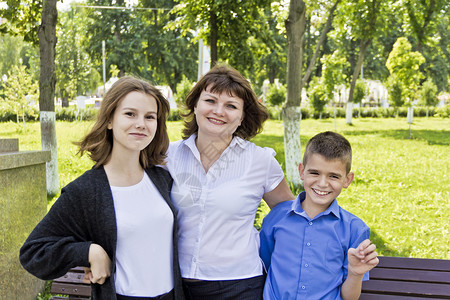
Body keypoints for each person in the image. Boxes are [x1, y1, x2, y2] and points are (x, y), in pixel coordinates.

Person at [20, 76, 184, 300]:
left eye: (150, 117)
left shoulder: (162, 179)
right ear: (109, 120)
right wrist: (89, 252)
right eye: (130, 114)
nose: (141, 124)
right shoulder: (86, 191)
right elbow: (33, 252)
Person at [164, 64, 295, 299]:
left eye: (231, 106)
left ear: (242, 116)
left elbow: (290, 216)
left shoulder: (260, 160)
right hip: (174, 284)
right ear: (195, 105)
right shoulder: (167, 157)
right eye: (210, 101)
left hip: (239, 285)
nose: (219, 111)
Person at [260, 131, 379, 300]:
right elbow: (264, 265)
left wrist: (355, 273)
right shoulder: (277, 217)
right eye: (314, 173)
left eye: (334, 176)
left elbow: (349, 297)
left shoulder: (355, 229)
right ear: (302, 171)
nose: (322, 183)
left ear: (347, 180)